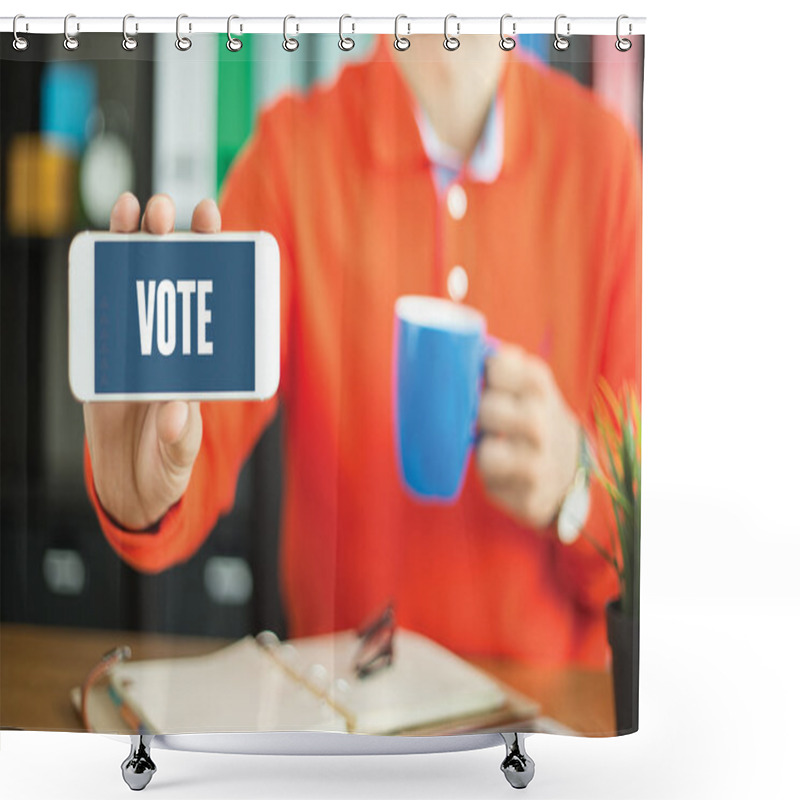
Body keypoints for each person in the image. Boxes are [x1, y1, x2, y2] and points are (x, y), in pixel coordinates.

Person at [83, 35, 641, 667]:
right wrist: (141, 496)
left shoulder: (608, 164)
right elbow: (196, 442)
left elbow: (644, 563)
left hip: (545, 725)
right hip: (346, 715)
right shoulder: (291, 152)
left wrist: (577, 485)